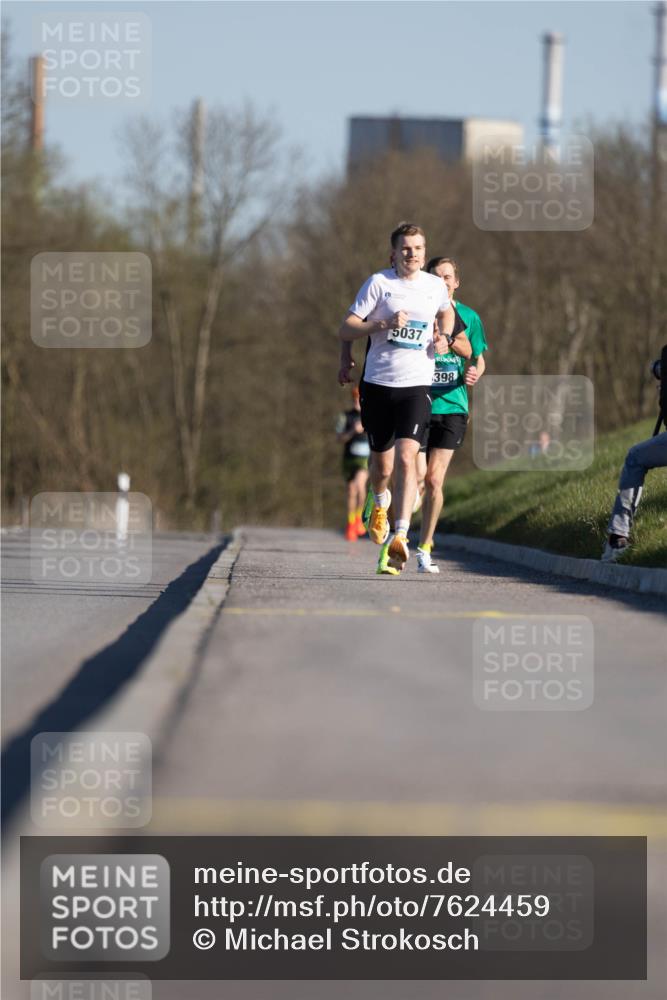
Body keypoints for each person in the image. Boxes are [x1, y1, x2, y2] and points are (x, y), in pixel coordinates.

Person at [338, 222, 470, 573]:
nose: (413, 254)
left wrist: (443, 335)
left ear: (424, 252)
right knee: (381, 467)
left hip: (416, 385)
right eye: (406, 249)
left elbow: (446, 310)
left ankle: (399, 538)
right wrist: (380, 325)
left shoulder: (432, 287)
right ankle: (379, 499)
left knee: (408, 458)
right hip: (378, 384)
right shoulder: (379, 284)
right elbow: (346, 327)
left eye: (418, 249)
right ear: (393, 254)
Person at [416, 257, 488, 574]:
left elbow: (478, 358)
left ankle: (425, 545)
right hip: (417, 402)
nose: (443, 281)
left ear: (456, 282)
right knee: (415, 477)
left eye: (447, 277)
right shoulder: (417, 311)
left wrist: (475, 373)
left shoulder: (470, 317)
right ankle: (395, 523)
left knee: (433, 479)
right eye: (436, 277)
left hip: (453, 405)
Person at [336, 385, 370, 541]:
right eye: (355, 398)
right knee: (351, 490)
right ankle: (351, 522)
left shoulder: (371, 416)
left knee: (359, 485)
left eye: (360, 398)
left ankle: (358, 519)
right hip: (349, 457)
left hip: (365, 459)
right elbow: (339, 438)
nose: (357, 401)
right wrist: (352, 431)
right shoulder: (345, 416)